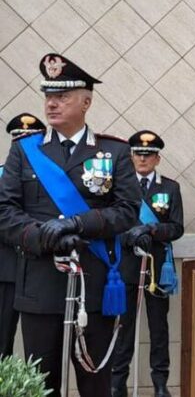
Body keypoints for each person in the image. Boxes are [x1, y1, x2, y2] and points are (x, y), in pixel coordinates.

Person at [0, 53, 141, 397]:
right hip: (40, 286)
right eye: (49, 96)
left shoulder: (115, 152)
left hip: (94, 287)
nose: (52, 104)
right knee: (42, 383)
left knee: (95, 383)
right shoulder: (25, 150)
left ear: (86, 102)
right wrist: (42, 236)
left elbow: (127, 210)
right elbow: (5, 210)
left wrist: (79, 223)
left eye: (62, 97)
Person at [112, 130, 183, 397]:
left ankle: (160, 383)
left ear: (157, 159)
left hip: (156, 267)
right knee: (124, 326)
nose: (143, 159)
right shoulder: (120, 187)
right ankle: (118, 382)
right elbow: (111, 222)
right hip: (126, 265)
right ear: (131, 157)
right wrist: (126, 235)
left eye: (148, 155)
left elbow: (176, 228)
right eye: (138, 154)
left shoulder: (170, 188)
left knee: (159, 328)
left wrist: (152, 230)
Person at [0, 113, 46, 357]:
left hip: (40, 268)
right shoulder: (1, 175)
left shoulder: (55, 180)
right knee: (2, 339)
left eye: (31, 140)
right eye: (19, 140)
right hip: (6, 269)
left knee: (41, 347)